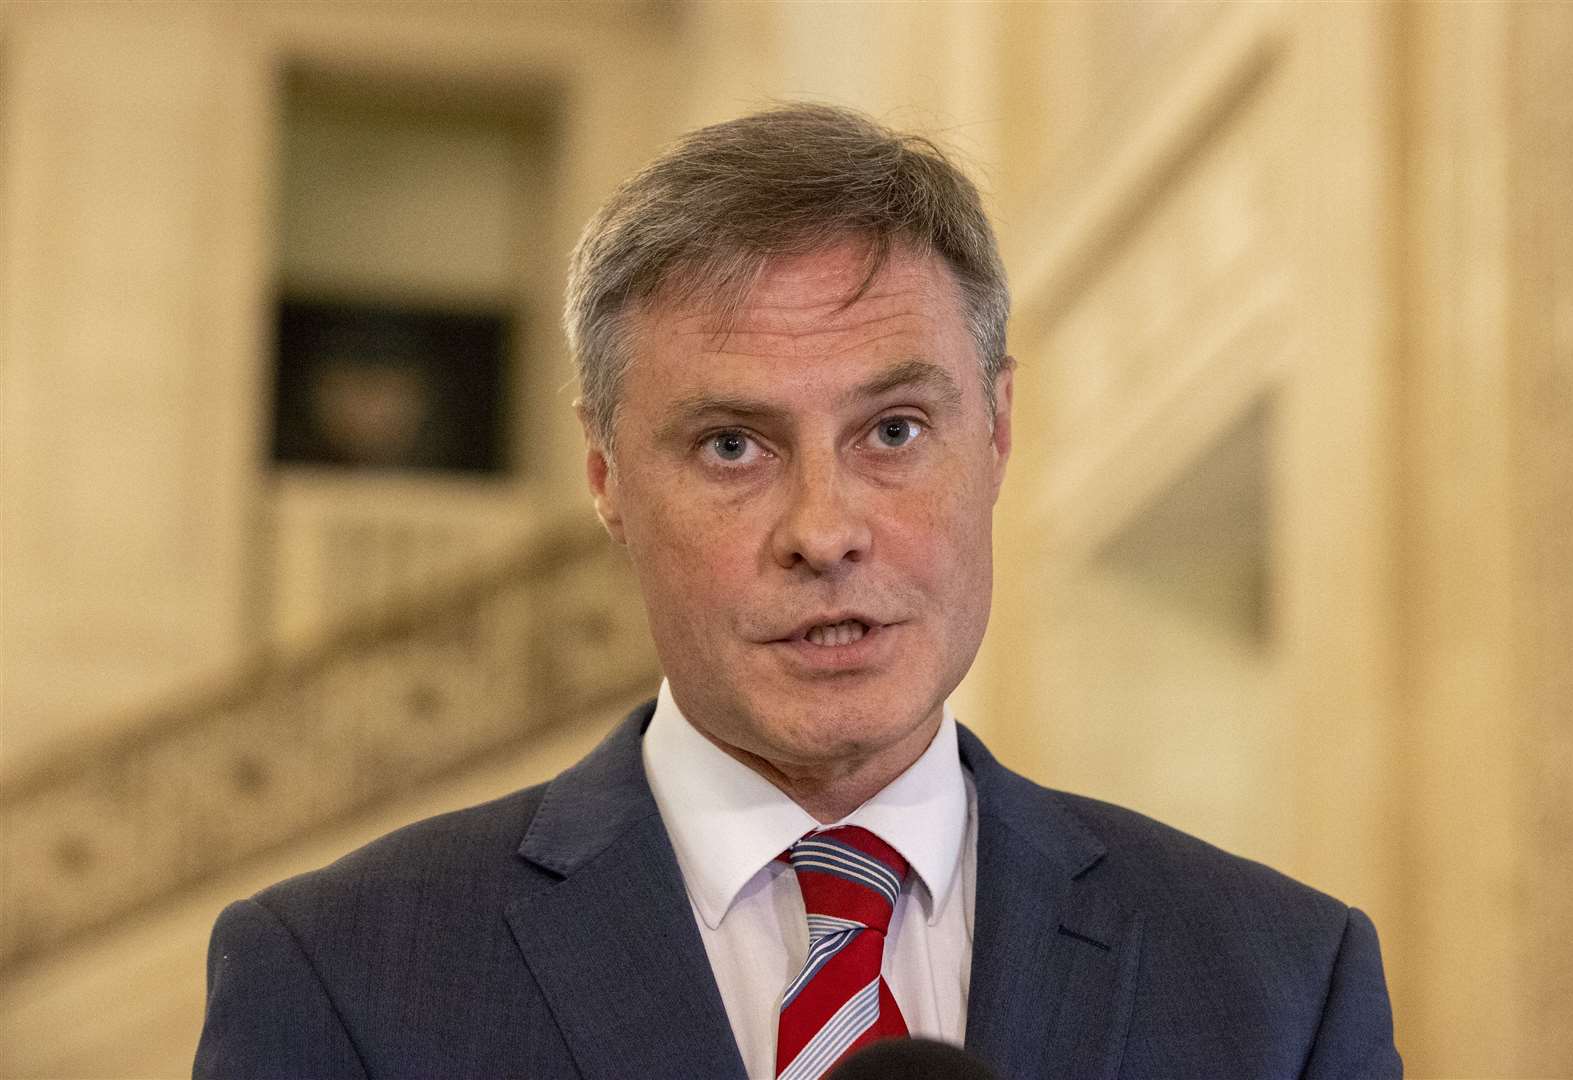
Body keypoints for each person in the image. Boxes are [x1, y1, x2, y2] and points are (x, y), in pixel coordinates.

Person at [194, 104, 1401, 1080]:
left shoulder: (1282, 981)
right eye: (731, 445)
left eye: (893, 428)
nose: (824, 530)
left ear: (997, 431)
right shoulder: (340, 975)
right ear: (606, 477)